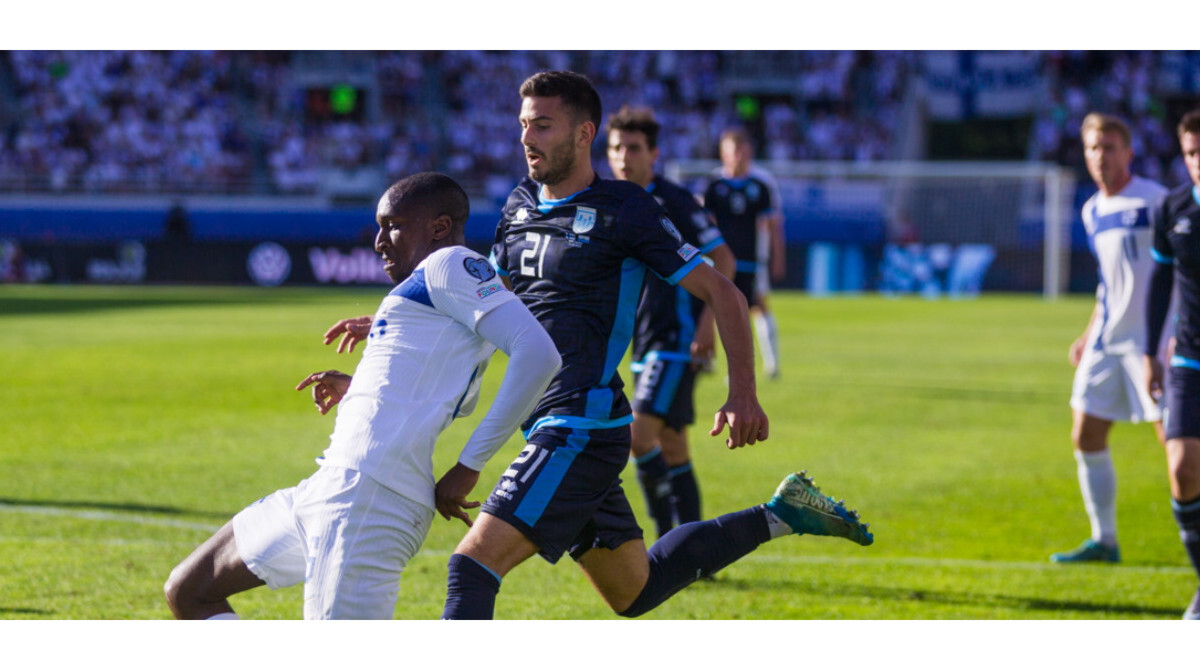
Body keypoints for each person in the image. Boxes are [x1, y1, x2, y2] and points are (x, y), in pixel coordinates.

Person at [435, 71, 872, 621]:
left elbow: (724, 290)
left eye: (542, 125)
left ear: (583, 133)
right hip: (546, 420)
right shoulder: (519, 203)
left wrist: (743, 393)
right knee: (635, 591)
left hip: (579, 426)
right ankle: (782, 514)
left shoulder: (626, 208)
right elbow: (483, 303)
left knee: (472, 567)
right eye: (523, 124)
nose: (526, 137)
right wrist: (396, 330)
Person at [162, 172, 560, 619]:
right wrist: (359, 388)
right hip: (331, 485)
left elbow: (539, 354)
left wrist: (469, 466)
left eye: (393, 225)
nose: (379, 241)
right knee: (189, 589)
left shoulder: (449, 263)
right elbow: (423, 386)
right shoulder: (434, 297)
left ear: (439, 227)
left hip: (369, 496)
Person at [605, 104, 736, 538]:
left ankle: (662, 541)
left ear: (654, 154)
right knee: (674, 447)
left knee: (638, 438)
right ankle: (692, 548)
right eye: (616, 148)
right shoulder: (611, 200)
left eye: (634, 148)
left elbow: (723, 260)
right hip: (641, 340)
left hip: (676, 340)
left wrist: (707, 324)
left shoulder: (675, 202)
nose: (623, 157)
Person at [1052, 112, 1171, 564]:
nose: (1100, 156)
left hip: (1155, 342)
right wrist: (1088, 333)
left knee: (1178, 446)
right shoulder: (1092, 210)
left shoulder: (1157, 201)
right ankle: (1104, 541)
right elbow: (1109, 281)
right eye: (1093, 148)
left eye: (1109, 147)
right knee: (1086, 433)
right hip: (1107, 341)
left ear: (1129, 152)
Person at [1145, 108, 1200, 620]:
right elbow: (1160, 283)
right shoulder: (1173, 207)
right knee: (1182, 468)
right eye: (1191, 153)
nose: (1198, 161)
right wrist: (1149, 353)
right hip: (1188, 357)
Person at [703, 128, 786, 379]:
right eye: (733, 151)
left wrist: (777, 257)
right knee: (716, 309)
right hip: (720, 261)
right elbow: (705, 224)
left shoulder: (761, 185)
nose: (738, 156)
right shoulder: (714, 185)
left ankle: (772, 365)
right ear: (723, 154)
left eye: (742, 150)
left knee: (759, 306)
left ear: (749, 152)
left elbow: (773, 225)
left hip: (752, 260)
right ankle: (710, 359)